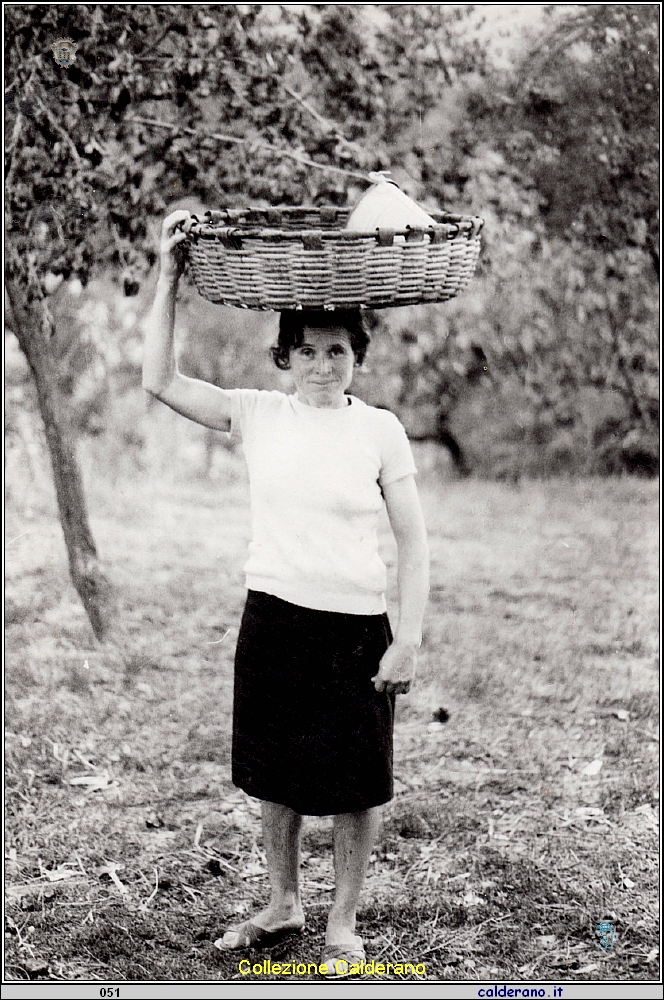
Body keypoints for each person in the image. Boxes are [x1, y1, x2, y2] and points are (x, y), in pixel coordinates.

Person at [142, 210, 429, 975]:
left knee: (355, 782)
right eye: (307, 350)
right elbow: (158, 380)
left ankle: (341, 922)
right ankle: (281, 903)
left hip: (356, 627)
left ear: (356, 355)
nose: (322, 365)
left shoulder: (381, 431)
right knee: (276, 772)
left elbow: (414, 541)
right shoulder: (258, 415)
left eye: (337, 350)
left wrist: (409, 636)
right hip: (272, 618)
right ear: (286, 356)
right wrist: (169, 276)